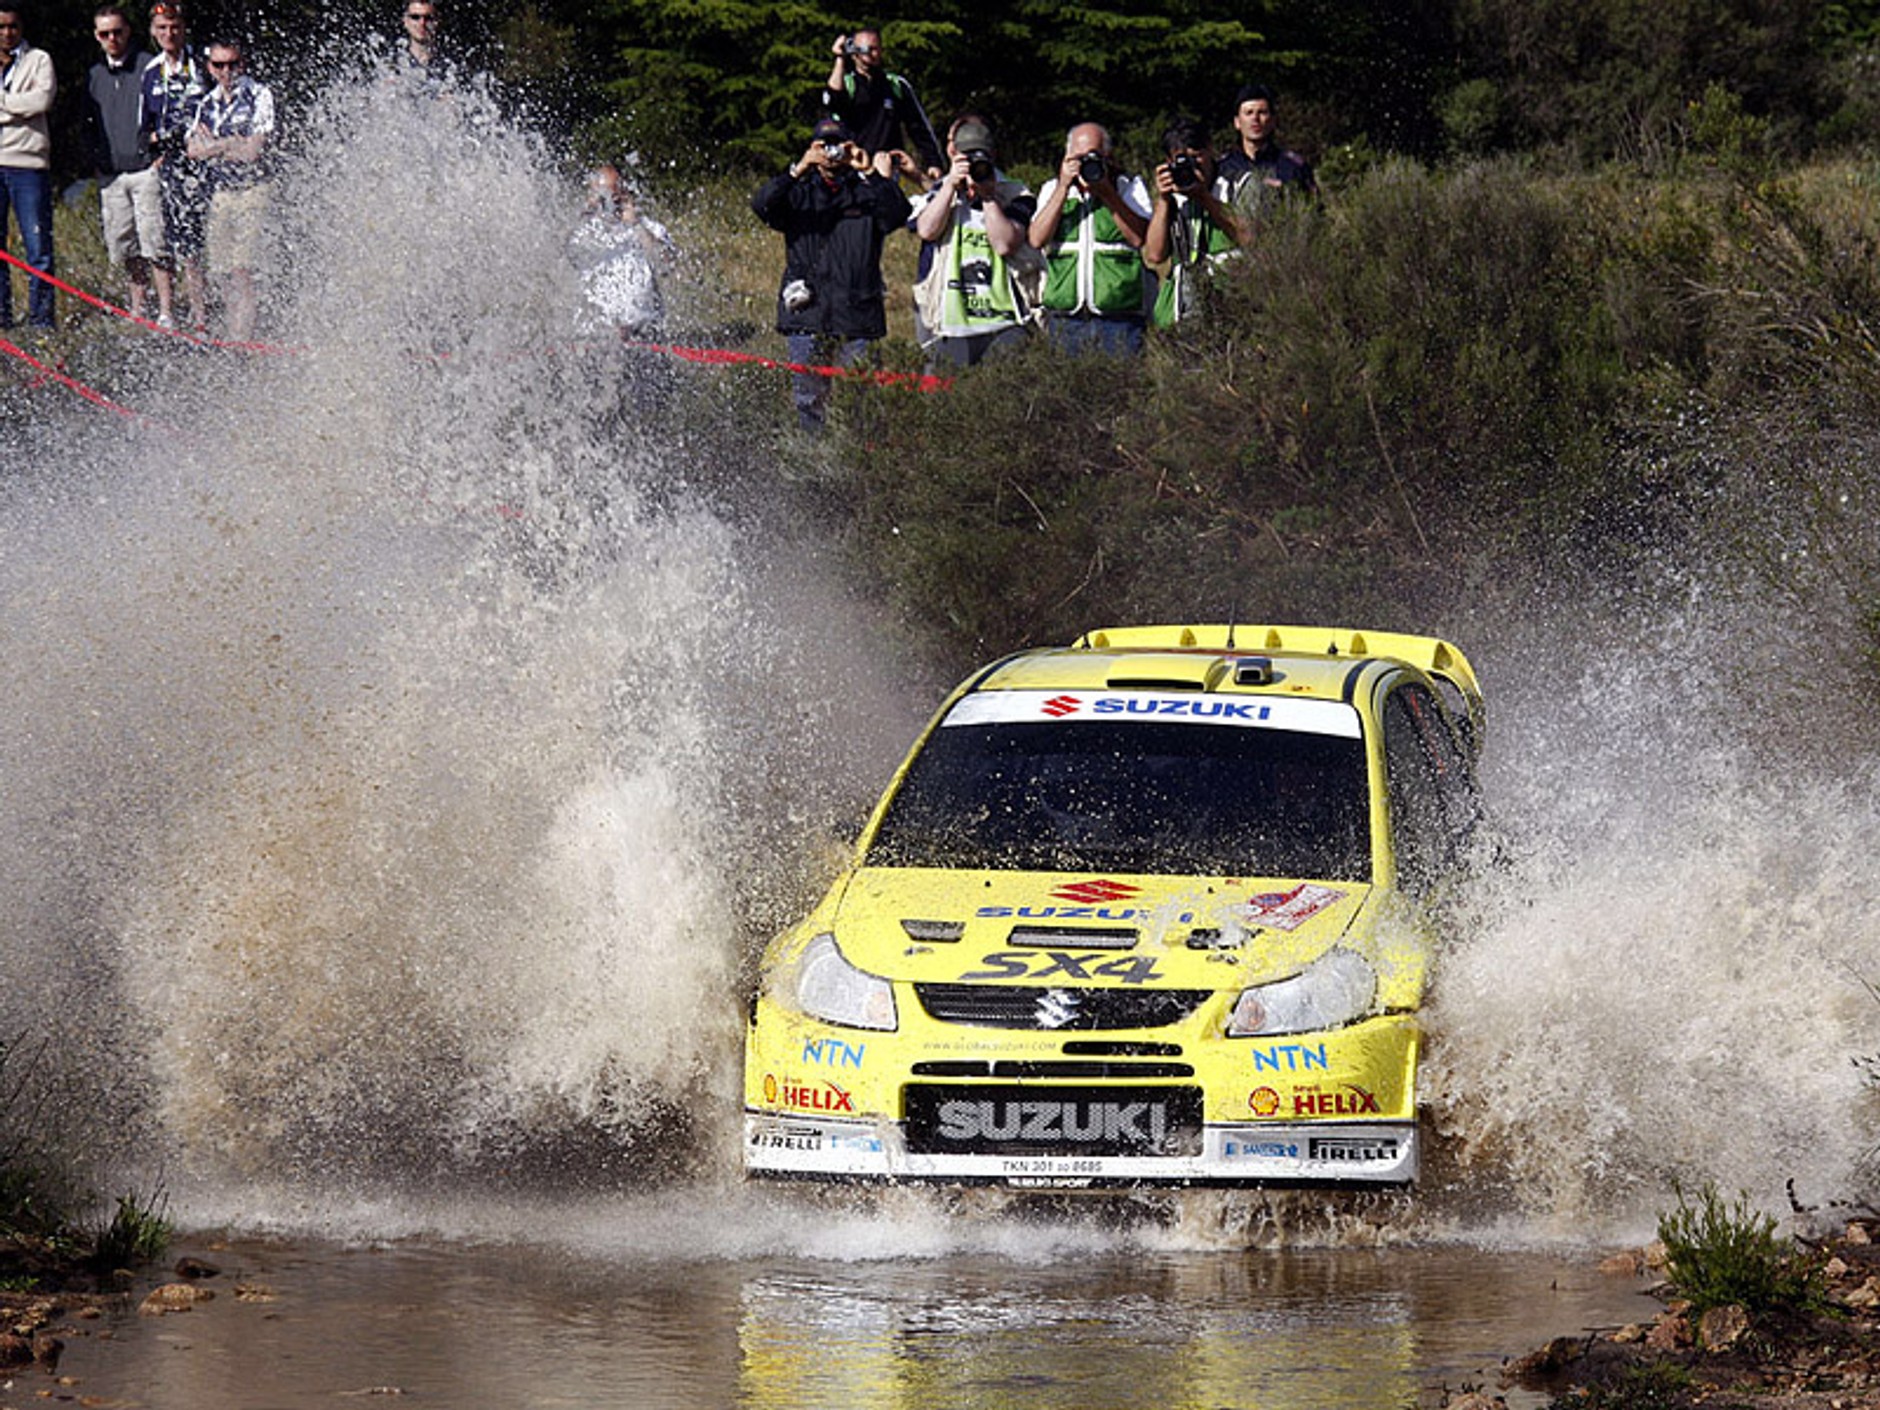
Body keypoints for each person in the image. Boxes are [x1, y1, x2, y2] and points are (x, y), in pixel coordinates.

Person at [751, 115, 911, 433]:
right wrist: (799, 168)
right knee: (809, 399)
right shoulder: (799, 192)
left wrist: (868, 170)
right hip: (807, 312)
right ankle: (813, 457)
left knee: (863, 400)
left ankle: (861, 457)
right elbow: (762, 206)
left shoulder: (866, 191)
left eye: (839, 145)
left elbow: (898, 215)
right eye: (825, 145)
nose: (832, 152)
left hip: (858, 313)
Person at [910, 114, 1037, 367]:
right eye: (966, 157)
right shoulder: (941, 191)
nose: (974, 164)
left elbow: (1004, 244)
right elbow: (926, 230)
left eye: (980, 156)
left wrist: (989, 196)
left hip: (1004, 322)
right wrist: (949, 187)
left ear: (993, 155)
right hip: (949, 323)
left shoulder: (1015, 193)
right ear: (953, 154)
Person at [1027, 121, 1150, 356]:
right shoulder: (1053, 189)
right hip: (1066, 320)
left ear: (1107, 157)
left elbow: (1138, 238)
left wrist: (1107, 193)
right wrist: (1063, 188)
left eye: (1093, 156)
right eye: (1078, 157)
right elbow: (1036, 239)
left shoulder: (1128, 187)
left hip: (1119, 320)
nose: (1086, 164)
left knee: (1123, 380)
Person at [84, 6, 169, 326]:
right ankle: (138, 309)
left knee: (155, 242)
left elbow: (165, 111)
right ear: (97, 37)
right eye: (105, 33)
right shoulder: (95, 75)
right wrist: (94, 159)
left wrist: (160, 151)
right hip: (112, 173)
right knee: (125, 245)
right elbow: (87, 123)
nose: (112, 39)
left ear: (128, 32)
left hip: (145, 167)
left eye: (117, 32)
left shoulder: (149, 66)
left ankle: (166, 310)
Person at [187, 37, 272, 340]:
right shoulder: (208, 103)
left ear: (242, 64)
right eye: (219, 65)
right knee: (221, 268)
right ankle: (233, 329)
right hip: (221, 190)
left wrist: (215, 145)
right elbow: (193, 150)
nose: (226, 71)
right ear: (210, 68)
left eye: (232, 64)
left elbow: (253, 151)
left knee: (243, 268)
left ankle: (242, 336)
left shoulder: (259, 94)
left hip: (253, 188)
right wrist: (230, 143)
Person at [141, 1, 207, 332]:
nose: (169, 34)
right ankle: (166, 312)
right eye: (162, 28)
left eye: (175, 27)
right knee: (161, 240)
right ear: (153, 32)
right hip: (167, 167)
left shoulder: (202, 64)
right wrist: (154, 146)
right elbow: (143, 127)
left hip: (202, 167)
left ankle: (200, 314)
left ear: (184, 28)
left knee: (195, 245)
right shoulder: (151, 71)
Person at [1143, 116, 1246, 327]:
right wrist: (1163, 200)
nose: (1192, 166)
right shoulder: (1173, 195)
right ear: (1169, 161)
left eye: (1197, 156)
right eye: (1182, 160)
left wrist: (1203, 197)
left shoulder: (1238, 184)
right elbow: (1155, 255)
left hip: (1232, 309)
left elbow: (1249, 236)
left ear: (1210, 150)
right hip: (1182, 314)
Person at [571, 163, 675, 339]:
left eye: (612, 196)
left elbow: (667, 264)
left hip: (644, 333)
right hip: (596, 336)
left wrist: (635, 224)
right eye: (601, 197)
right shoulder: (584, 233)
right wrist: (587, 213)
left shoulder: (648, 227)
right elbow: (562, 258)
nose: (608, 204)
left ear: (623, 193)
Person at [823, 28, 941, 180]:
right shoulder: (847, 84)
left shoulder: (895, 85)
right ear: (853, 52)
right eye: (864, 49)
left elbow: (918, 127)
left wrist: (933, 162)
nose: (869, 54)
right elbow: (833, 100)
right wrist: (840, 58)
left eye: (874, 49)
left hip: (887, 168)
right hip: (852, 169)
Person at [0, 6, 54, 331]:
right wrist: (18, 106)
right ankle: (2, 317)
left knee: (38, 247)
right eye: (1, 27)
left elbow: (41, 101)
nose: (7, 33)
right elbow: (28, 104)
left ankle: (42, 320)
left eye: (13, 26)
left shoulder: (39, 60)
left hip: (28, 164)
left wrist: (3, 103)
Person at [1217, 83, 1316, 205]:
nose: (1255, 118)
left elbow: (1314, 209)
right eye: (1249, 113)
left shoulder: (1293, 167)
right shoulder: (1223, 168)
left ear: (1273, 120)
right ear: (1237, 122)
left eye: (1262, 112)